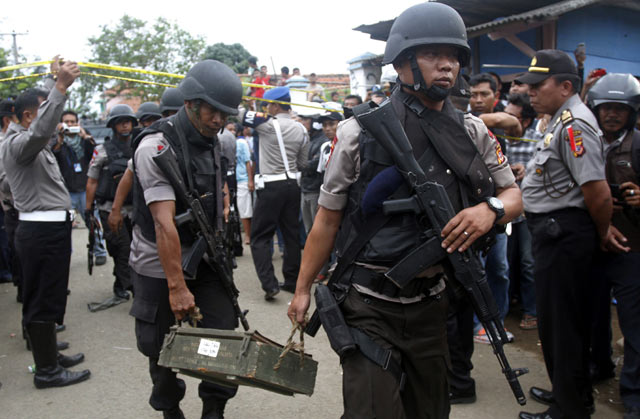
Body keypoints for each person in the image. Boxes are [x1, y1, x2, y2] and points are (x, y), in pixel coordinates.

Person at [288, 3, 521, 418]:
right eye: (433, 55)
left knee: (430, 411)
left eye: (453, 57)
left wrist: (491, 210)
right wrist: (304, 288)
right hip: (367, 302)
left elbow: (514, 196)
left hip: (432, 305)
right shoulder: (358, 131)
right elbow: (328, 218)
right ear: (403, 62)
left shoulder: (472, 130)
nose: (447, 66)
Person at [130, 59, 242, 419]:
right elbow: (164, 225)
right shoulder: (155, 148)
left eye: (225, 114)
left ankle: (214, 408)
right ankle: (169, 409)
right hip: (159, 261)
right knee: (161, 348)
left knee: (221, 338)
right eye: (213, 111)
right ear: (190, 103)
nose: (219, 120)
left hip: (207, 255)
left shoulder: (220, 142)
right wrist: (177, 287)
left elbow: (221, 188)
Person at [516, 49, 618, 419]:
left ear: (565, 86)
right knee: (560, 324)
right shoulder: (560, 120)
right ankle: (568, 393)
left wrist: (602, 231)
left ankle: (569, 409)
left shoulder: (575, 125)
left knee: (563, 327)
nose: (529, 92)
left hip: (565, 237)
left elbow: (598, 192)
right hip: (555, 234)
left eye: (537, 85)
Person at [0, 57, 90, 388]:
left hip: (47, 229)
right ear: (27, 117)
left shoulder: (30, 145)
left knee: (50, 297)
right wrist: (60, 87)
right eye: (45, 108)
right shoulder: (19, 142)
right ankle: (48, 372)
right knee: (41, 299)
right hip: (40, 231)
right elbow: (40, 131)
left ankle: (50, 357)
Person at [586, 73, 640, 419]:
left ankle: (634, 392)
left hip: (632, 248)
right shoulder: (583, 140)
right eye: (606, 108)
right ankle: (599, 366)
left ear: (631, 112)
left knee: (634, 324)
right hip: (591, 244)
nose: (612, 115)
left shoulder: (638, 144)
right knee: (592, 317)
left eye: (620, 109)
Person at [242, 86, 309, 300]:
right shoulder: (302, 129)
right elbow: (302, 163)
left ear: (276, 105)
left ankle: (270, 285)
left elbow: (239, 114)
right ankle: (291, 280)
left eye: (268, 104)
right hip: (293, 186)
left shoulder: (267, 125)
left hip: (271, 186)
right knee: (290, 235)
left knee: (260, 237)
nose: (266, 108)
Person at [86, 104, 138, 300]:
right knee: (120, 247)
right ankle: (124, 283)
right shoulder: (102, 150)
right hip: (109, 208)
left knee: (135, 247)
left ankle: (129, 283)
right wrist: (88, 209)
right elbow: (92, 180)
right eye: (120, 123)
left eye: (128, 122)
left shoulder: (139, 146)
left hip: (135, 208)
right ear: (113, 126)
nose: (125, 126)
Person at [502, 94, 540, 331]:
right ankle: (507, 307)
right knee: (506, 263)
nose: (505, 121)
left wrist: (530, 170)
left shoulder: (538, 140)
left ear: (525, 121)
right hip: (504, 213)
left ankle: (532, 311)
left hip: (528, 213)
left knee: (528, 262)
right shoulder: (496, 139)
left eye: (511, 117)